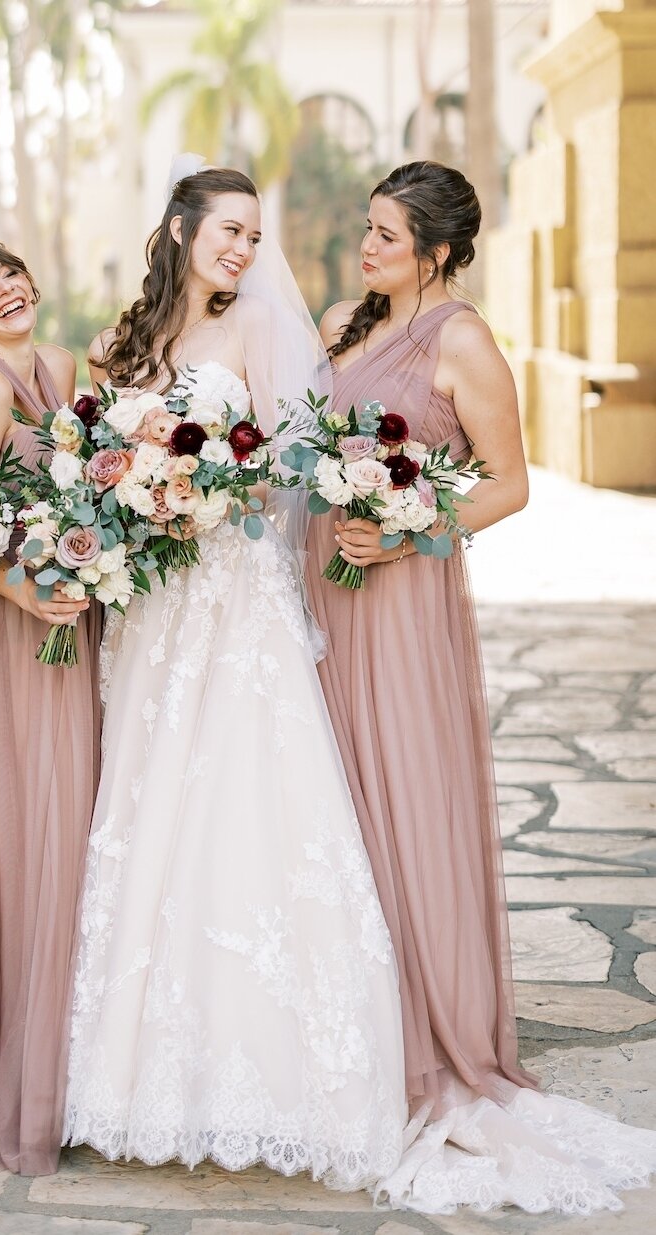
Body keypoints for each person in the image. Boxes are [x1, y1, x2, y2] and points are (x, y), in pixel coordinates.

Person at [304, 160, 656, 1212]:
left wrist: (415, 528)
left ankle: (433, 1024)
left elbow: (510, 482)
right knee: (333, 795)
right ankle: (350, 1013)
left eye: (388, 236)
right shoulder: (337, 322)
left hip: (403, 600)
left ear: (441, 251)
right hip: (319, 589)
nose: (367, 248)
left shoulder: (461, 339)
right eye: (367, 228)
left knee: (407, 795)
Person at [62, 165, 407, 1189]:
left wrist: (204, 489)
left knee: (245, 802)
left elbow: (291, 464)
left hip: (233, 598)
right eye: (229, 230)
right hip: (153, 606)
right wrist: (133, 493)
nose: (246, 251)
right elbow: (96, 460)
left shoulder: (256, 328)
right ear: (178, 229)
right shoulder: (122, 345)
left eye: (256, 236)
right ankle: (132, 1075)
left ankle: (280, 1080)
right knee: (150, 802)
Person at [0, 238, 101, 1175]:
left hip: (75, 620)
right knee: (33, 846)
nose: (5, 295)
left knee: (75, 838)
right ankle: (21, 1094)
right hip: (16, 634)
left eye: (10, 277)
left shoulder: (60, 364)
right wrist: (25, 592)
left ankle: (74, 1074)